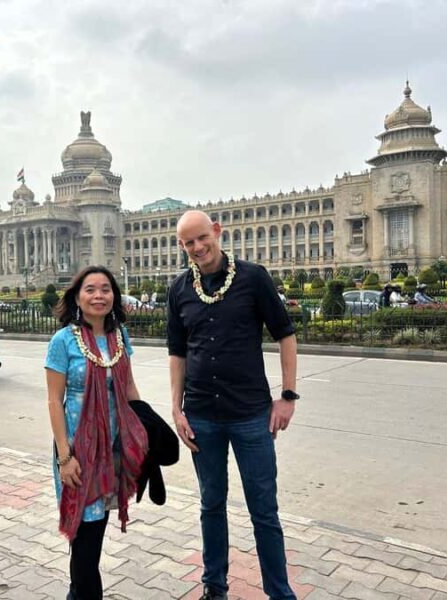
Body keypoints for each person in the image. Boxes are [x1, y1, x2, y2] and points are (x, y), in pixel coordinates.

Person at [168, 210, 298, 600]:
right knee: (211, 505)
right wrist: (177, 409)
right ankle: (215, 586)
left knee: (264, 511)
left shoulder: (252, 278)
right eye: (188, 243)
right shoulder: (179, 289)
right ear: (182, 246)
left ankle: (280, 592)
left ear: (217, 232)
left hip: (251, 417)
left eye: (202, 238)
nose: (197, 248)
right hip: (202, 417)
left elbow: (286, 335)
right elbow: (178, 353)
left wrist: (288, 396)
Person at [45, 266, 148, 600]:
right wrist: (64, 458)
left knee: (94, 536)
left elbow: (128, 386)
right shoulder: (63, 341)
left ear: (114, 296)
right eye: (90, 289)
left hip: (112, 450)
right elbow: (54, 401)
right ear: (77, 297)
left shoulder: (120, 337)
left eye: (105, 289)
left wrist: (145, 433)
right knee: (84, 543)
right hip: (76, 450)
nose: (99, 295)